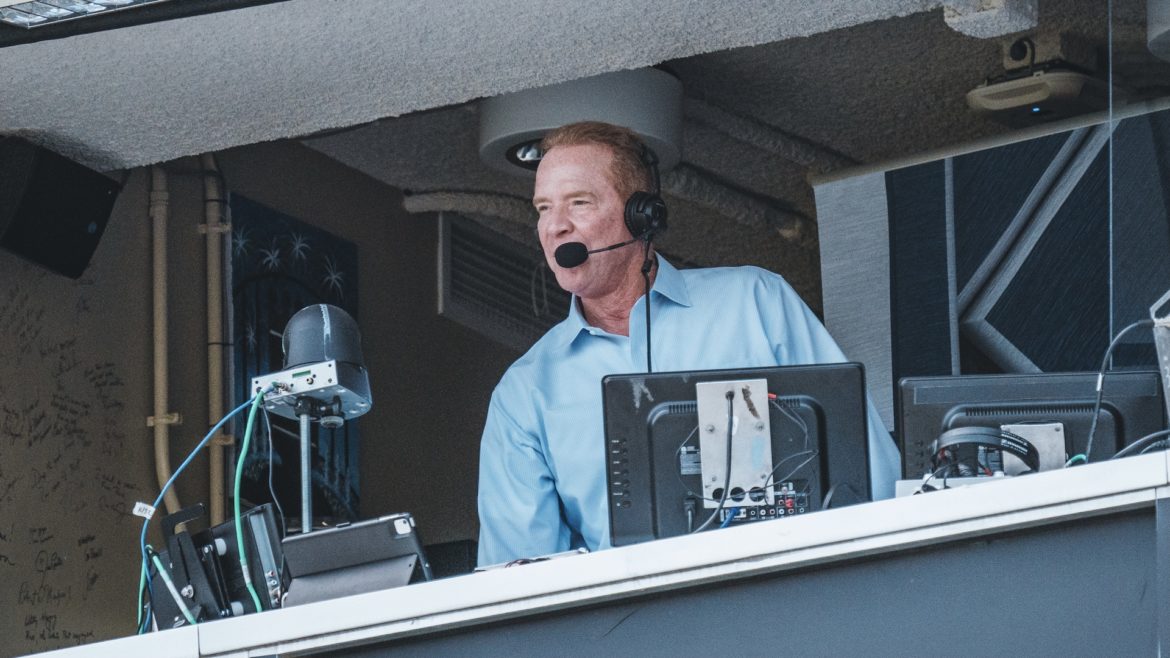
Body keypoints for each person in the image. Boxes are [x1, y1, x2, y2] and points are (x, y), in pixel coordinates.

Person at [476, 121, 899, 566]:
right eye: (543, 208)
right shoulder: (525, 391)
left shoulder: (755, 302)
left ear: (641, 216)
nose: (554, 227)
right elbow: (516, 577)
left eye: (579, 203)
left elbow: (871, 477)